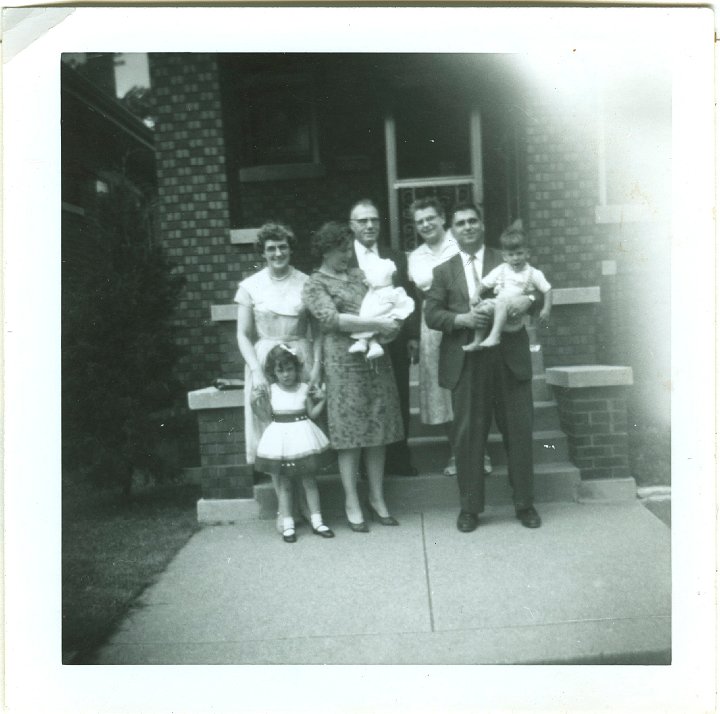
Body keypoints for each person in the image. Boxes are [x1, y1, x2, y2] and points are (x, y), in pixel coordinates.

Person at [425, 203, 544, 532]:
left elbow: (538, 290)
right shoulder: (443, 271)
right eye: (460, 222)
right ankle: (470, 507)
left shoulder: (507, 257)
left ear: (482, 225)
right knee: (468, 438)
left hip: (508, 359)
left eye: (473, 221)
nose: (467, 227)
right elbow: (431, 314)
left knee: (519, 432)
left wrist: (529, 301)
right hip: (468, 361)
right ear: (453, 230)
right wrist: (462, 318)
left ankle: (525, 504)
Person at [303, 221, 405, 531]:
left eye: (350, 249)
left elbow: (386, 302)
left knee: (377, 430)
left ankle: (376, 498)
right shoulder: (315, 283)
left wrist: (391, 325)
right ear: (325, 250)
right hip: (343, 364)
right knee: (349, 435)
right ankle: (352, 501)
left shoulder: (362, 275)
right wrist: (375, 322)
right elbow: (331, 320)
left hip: (375, 360)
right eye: (342, 250)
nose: (349, 254)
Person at [234, 221, 321, 530]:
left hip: (300, 360)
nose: (277, 253)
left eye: (282, 246)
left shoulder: (307, 283)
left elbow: (318, 331)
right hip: (265, 364)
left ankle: (305, 505)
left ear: (290, 248)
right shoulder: (250, 287)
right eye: (271, 248)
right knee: (271, 434)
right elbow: (243, 334)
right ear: (263, 252)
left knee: (300, 430)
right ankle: (285, 508)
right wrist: (257, 372)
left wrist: (317, 368)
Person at [407, 197, 492, 479]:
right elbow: (424, 297)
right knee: (444, 391)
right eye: (419, 221)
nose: (426, 224)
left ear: (443, 218)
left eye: (430, 218)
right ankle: (457, 452)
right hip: (434, 328)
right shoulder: (415, 256)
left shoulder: (459, 243)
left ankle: (482, 452)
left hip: (468, 322)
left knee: (471, 389)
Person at [349, 199, 419, 476]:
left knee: (398, 395)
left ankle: (399, 458)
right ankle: (367, 464)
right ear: (352, 225)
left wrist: (411, 334)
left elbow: (408, 296)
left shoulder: (396, 257)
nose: (369, 225)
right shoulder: (345, 258)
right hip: (358, 339)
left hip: (394, 338)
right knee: (364, 399)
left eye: (374, 220)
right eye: (363, 220)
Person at [254, 344, 335, 543]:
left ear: (297, 368)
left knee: (309, 481)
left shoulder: (304, 388)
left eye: (289, 369)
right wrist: (251, 403)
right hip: (281, 440)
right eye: (280, 370)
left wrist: (322, 400)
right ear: (273, 372)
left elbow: (312, 414)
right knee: (285, 484)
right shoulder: (271, 391)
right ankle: (288, 523)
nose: (286, 375)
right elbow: (265, 417)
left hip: (303, 437)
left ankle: (317, 521)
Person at [464, 220, 552, 351]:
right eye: (511, 255)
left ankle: (495, 336)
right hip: (499, 307)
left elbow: (547, 290)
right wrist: (476, 295)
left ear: (527, 253)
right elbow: (484, 283)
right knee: (482, 308)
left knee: (500, 303)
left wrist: (546, 309)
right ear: (504, 256)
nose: (515, 258)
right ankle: (477, 341)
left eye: (519, 253)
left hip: (514, 316)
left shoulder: (534, 273)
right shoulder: (501, 269)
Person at [349, 254, 415, 359]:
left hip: (383, 316)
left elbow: (388, 306)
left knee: (374, 330)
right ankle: (366, 343)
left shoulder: (392, 292)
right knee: (370, 330)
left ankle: (370, 344)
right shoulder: (374, 289)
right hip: (371, 315)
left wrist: (374, 314)